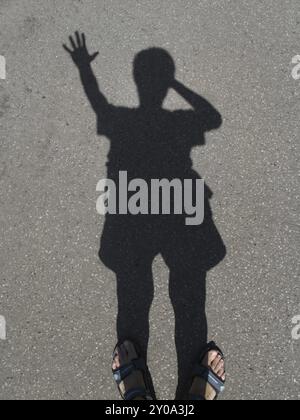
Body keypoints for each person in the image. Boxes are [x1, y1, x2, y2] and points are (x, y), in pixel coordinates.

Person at [64, 32, 226, 400]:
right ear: (162, 82)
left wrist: (85, 70)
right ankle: (193, 398)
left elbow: (99, 104)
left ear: (136, 80)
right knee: (188, 294)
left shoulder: (120, 120)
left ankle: (138, 396)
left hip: (133, 211)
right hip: (179, 207)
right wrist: (176, 85)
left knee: (135, 293)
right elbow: (212, 118)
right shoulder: (180, 122)